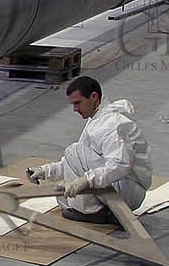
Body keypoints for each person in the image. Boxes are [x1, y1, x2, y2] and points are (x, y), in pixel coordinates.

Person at [27, 76, 151, 225]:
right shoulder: (97, 120)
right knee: (74, 154)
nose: (75, 109)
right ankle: (95, 209)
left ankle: (94, 212)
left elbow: (120, 165)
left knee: (75, 151)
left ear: (93, 97)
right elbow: (76, 162)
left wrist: (85, 181)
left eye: (78, 103)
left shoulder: (112, 124)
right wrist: (45, 171)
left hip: (129, 191)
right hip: (122, 186)